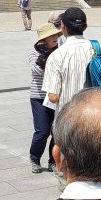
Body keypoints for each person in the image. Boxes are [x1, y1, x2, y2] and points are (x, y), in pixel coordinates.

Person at [42, 7, 101, 114]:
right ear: (85, 27)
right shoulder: (98, 48)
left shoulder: (56, 56)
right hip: (96, 114)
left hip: (68, 118)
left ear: (63, 27)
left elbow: (53, 97)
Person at [28, 21, 61, 173]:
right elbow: (37, 71)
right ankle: (34, 157)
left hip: (57, 96)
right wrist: (52, 62)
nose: (55, 38)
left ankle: (53, 161)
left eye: (56, 35)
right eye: (51, 36)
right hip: (39, 96)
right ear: (44, 39)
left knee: (57, 130)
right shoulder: (34, 53)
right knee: (42, 131)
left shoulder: (60, 50)